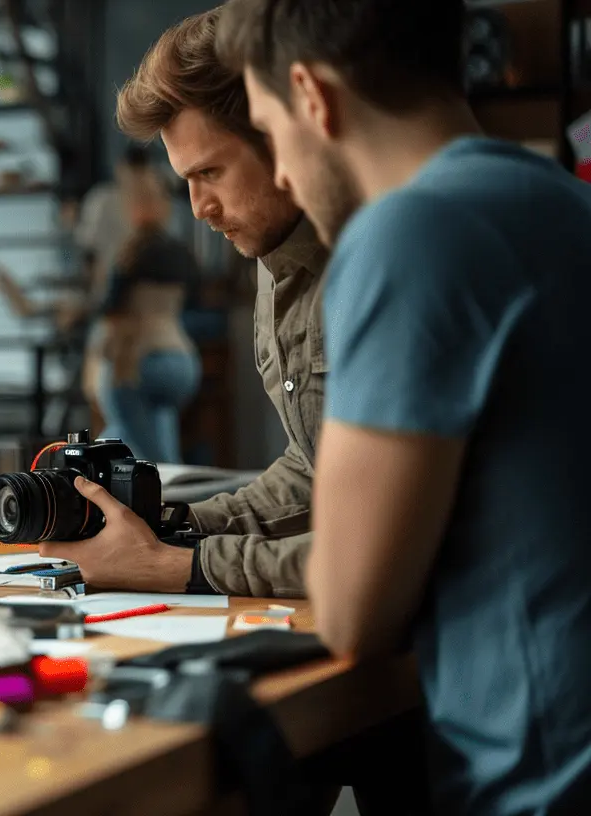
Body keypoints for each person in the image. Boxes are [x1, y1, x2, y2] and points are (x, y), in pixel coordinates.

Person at [218, 0, 591, 812]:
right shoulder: (561, 203)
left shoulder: (411, 235)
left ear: (313, 96)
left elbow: (353, 610)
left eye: (269, 129)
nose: (279, 172)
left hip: (532, 788)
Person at [40, 8, 324, 600]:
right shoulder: (274, 267)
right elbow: (313, 471)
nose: (198, 207)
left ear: (283, 128)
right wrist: (174, 528)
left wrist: (177, 567)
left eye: (211, 172)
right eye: (184, 183)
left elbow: (380, 549)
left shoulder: (383, 258)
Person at [86, 146, 201, 464]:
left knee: (151, 459)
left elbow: (113, 312)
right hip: (184, 363)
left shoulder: (130, 255)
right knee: (120, 436)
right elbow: (195, 300)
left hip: (144, 362)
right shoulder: (181, 253)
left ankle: (162, 496)